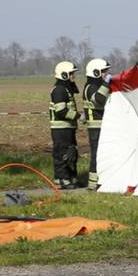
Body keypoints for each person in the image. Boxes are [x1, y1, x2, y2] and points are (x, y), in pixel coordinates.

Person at [48, 61, 80, 189]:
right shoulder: (59, 90)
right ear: (64, 75)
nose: (74, 76)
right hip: (60, 129)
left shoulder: (66, 89)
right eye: (72, 74)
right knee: (62, 154)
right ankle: (61, 180)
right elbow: (61, 111)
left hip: (67, 127)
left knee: (71, 153)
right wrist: (79, 116)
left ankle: (70, 178)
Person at [82, 58, 111, 190]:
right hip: (96, 127)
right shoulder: (92, 87)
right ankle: (93, 183)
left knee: (102, 154)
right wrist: (106, 84)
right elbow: (99, 100)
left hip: (100, 126)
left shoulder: (93, 86)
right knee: (97, 155)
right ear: (96, 72)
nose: (106, 74)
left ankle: (99, 181)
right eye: (104, 72)